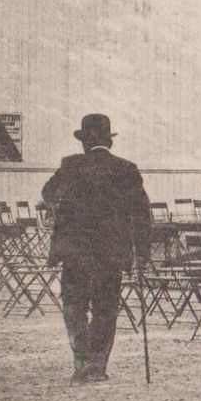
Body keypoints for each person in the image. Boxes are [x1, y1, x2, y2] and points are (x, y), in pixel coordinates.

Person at [41, 113, 152, 384]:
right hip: (111, 253)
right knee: (105, 308)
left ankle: (82, 362)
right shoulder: (127, 170)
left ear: (84, 142)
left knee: (74, 307)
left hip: (75, 252)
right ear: (108, 142)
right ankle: (98, 365)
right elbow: (142, 215)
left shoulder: (70, 166)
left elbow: (47, 193)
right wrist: (142, 254)